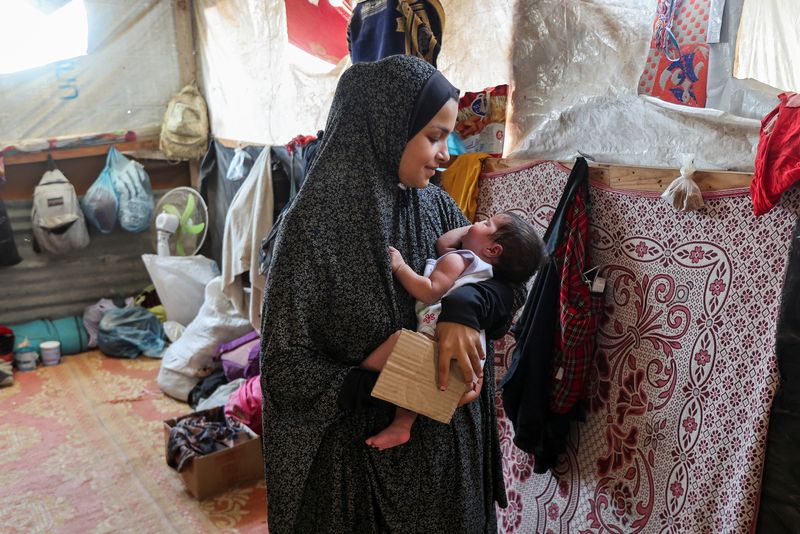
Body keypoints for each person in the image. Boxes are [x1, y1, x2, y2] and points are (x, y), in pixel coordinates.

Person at [260, 55, 524, 533]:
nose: (446, 154)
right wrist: (390, 384)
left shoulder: (434, 203)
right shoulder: (313, 232)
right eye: (434, 136)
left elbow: (507, 289)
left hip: (448, 475)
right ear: (383, 126)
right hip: (363, 481)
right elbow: (283, 369)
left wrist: (466, 311)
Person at [362, 212, 545, 450]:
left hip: (441, 334)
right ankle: (403, 425)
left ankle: (359, 375)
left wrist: (399, 266)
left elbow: (429, 292)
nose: (476, 223)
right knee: (423, 382)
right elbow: (444, 242)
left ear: (494, 250)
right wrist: (478, 232)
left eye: (486, 223)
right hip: (472, 350)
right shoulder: (482, 272)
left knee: (399, 345)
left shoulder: (458, 261)